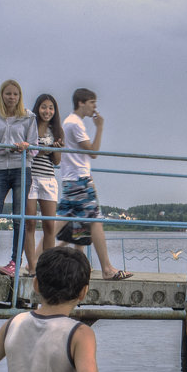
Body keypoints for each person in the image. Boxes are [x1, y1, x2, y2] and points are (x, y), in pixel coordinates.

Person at [55, 88, 132, 280]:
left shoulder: (69, 122)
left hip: (74, 179)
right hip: (79, 181)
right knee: (94, 221)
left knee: (75, 228)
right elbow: (94, 152)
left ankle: (49, 262)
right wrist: (100, 127)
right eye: (92, 103)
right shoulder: (75, 123)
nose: (95, 107)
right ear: (81, 103)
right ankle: (107, 269)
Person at [0, 79, 36, 277]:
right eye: (8, 94)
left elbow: (34, 146)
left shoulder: (29, 117)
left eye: (15, 94)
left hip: (21, 169)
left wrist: (26, 147)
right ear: (1, 95)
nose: (12, 97)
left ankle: (14, 262)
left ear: (20, 96)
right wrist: (12, 147)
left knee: (19, 218)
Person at [26, 93, 64, 275]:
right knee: (29, 224)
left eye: (50, 108)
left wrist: (52, 150)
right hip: (31, 178)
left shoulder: (56, 130)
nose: (47, 111)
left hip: (48, 178)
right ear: (37, 108)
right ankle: (32, 266)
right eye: (44, 107)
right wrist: (42, 150)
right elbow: (29, 153)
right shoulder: (29, 126)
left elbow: (57, 161)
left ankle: (48, 266)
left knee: (49, 225)